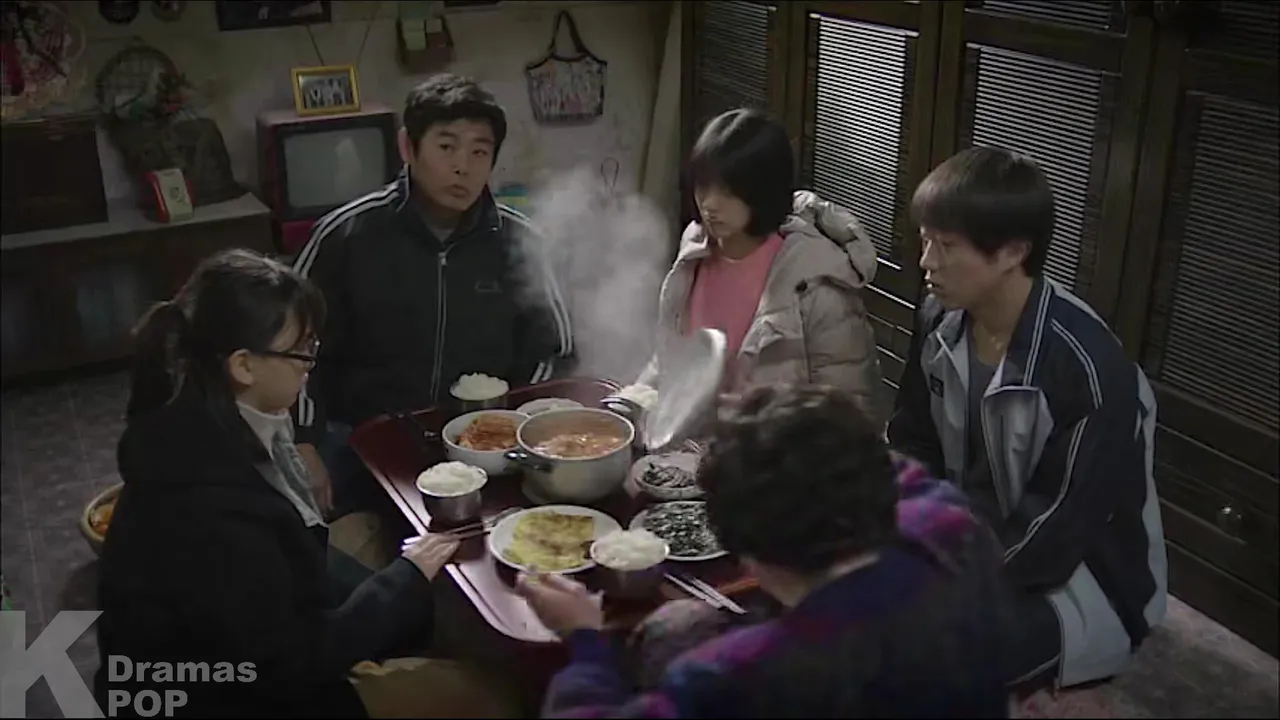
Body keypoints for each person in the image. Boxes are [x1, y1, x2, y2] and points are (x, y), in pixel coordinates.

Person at [96, 249, 462, 718]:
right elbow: (289, 665)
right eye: (300, 351)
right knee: (483, 694)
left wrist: (399, 591)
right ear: (243, 365)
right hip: (224, 701)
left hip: (241, 665)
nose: (309, 364)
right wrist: (405, 580)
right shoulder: (213, 506)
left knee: (379, 550)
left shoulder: (201, 419)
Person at [521, 385, 1014, 718]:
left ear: (745, 554)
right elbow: (889, 468)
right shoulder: (952, 527)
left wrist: (584, 639)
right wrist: (792, 427)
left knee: (671, 631)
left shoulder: (742, 675)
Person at [886, 146, 1167, 692]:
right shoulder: (940, 316)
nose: (927, 262)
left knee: (921, 660)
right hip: (965, 536)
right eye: (925, 240)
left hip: (1077, 579)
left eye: (947, 246)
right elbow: (912, 438)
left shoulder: (1090, 371)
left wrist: (936, 574)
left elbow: (1055, 535)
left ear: (1014, 252)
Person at [291, 73, 574, 516]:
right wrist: (303, 441)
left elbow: (557, 350)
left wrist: (514, 425)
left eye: (479, 152)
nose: (463, 167)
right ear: (408, 147)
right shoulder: (346, 235)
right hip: (362, 442)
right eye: (446, 147)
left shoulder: (522, 243)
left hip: (485, 448)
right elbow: (292, 348)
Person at [633, 109, 884, 425]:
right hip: (693, 445)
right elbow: (670, 359)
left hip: (775, 452)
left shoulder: (815, 280)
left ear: (764, 191)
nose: (710, 204)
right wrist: (632, 401)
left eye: (728, 191)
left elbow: (851, 414)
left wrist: (763, 426)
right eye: (703, 186)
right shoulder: (694, 250)